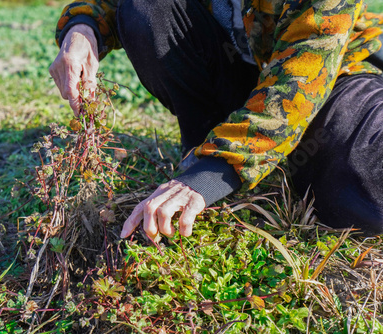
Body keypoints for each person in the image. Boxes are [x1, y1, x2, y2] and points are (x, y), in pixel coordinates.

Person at [49, 0, 383, 237]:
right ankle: (201, 141)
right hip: (237, 74)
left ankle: (227, 160)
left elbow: (297, 84)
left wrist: (211, 176)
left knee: (363, 185)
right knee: (145, 9)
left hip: (329, 75)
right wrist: (83, 29)